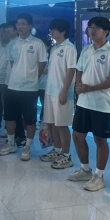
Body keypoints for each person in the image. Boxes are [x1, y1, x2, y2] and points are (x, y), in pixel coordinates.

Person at [67, 17, 110, 191]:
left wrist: (91, 88)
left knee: (100, 139)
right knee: (77, 135)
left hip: (102, 104)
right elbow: (79, 69)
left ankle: (99, 176)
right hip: (84, 101)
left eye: (96, 28)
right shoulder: (87, 49)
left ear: (106, 31)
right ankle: (85, 170)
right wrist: (78, 85)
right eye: (90, 27)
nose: (92, 30)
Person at [0, 14, 47, 160]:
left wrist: (33, 78)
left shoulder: (38, 43)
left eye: (23, 24)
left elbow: (42, 64)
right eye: (18, 24)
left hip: (30, 88)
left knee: (30, 119)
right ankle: (11, 143)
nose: (19, 26)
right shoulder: (12, 44)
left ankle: (27, 146)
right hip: (12, 86)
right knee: (9, 117)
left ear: (30, 26)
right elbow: (12, 63)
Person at [41, 18, 77, 169]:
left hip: (62, 93)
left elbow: (71, 70)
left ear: (63, 31)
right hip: (50, 91)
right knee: (52, 123)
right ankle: (56, 150)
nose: (51, 32)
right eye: (51, 29)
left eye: (54, 29)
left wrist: (64, 91)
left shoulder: (69, 48)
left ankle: (66, 155)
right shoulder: (54, 48)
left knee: (62, 125)